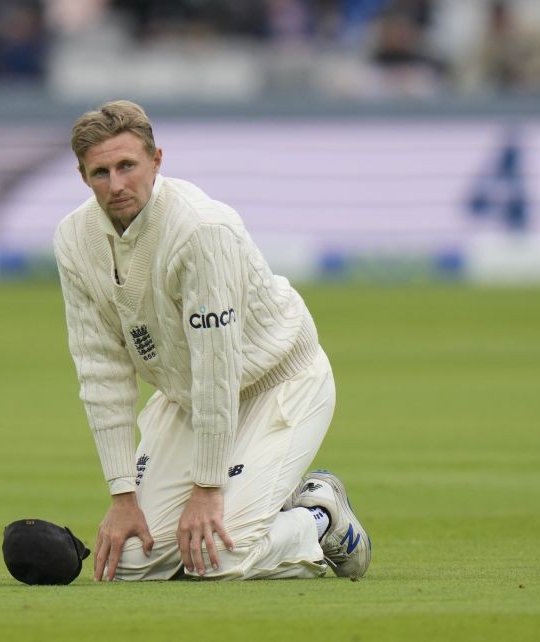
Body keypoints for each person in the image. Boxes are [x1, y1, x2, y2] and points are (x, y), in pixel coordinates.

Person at [52, 100, 371, 581]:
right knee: (129, 562)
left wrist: (206, 489)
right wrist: (121, 495)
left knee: (217, 558)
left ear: (156, 161)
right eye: (100, 172)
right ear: (82, 176)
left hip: (278, 384)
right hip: (188, 400)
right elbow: (100, 371)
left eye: (127, 166)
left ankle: (320, 518)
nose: (116, 185)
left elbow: (217, 367)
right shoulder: (74, 240)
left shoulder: (202, 230)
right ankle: (269, 496)